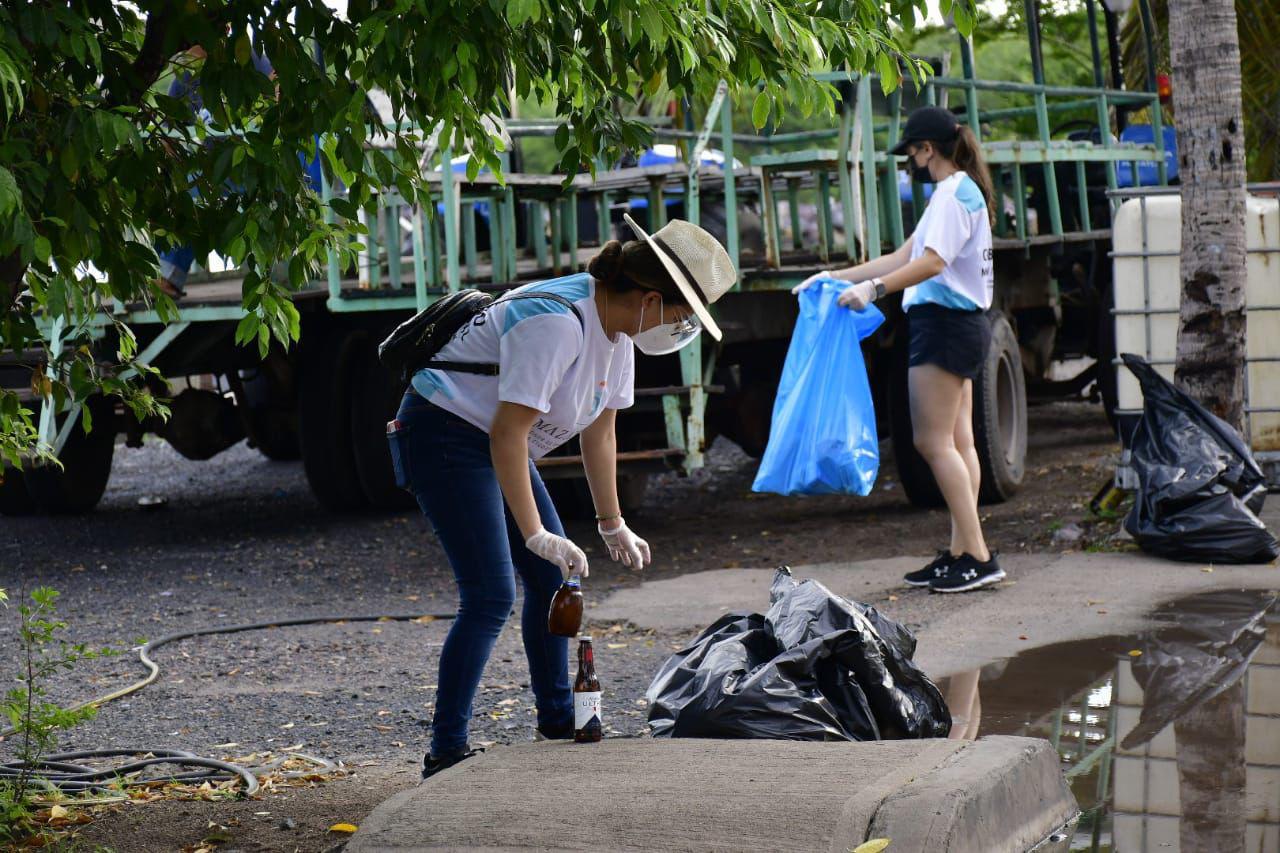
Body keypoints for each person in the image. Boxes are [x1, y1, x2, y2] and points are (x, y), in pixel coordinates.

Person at [394, 215, 735, 778]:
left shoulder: (618, 333)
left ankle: (556, 718)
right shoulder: (557, 322)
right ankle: (445, 751)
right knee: (490, 595)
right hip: (444, 431)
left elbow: (600, 431)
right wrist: (535, 533)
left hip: (492, 438)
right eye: (681, 315)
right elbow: (508, 434)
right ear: (650, 299)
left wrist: (611, 522)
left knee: (553, 580)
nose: (679, 328)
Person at [795, 106, 1003, 594]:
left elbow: (931, 263)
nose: (910, 161)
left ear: (927, 149)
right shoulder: (955, 192)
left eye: (911, 152)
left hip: (944, 324)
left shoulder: (952, 195)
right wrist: (835, 277)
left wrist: (874, 290)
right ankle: (961, 551)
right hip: (962, 324)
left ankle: (978, 555)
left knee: (932, 442)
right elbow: (904, 255)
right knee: (959, 443)